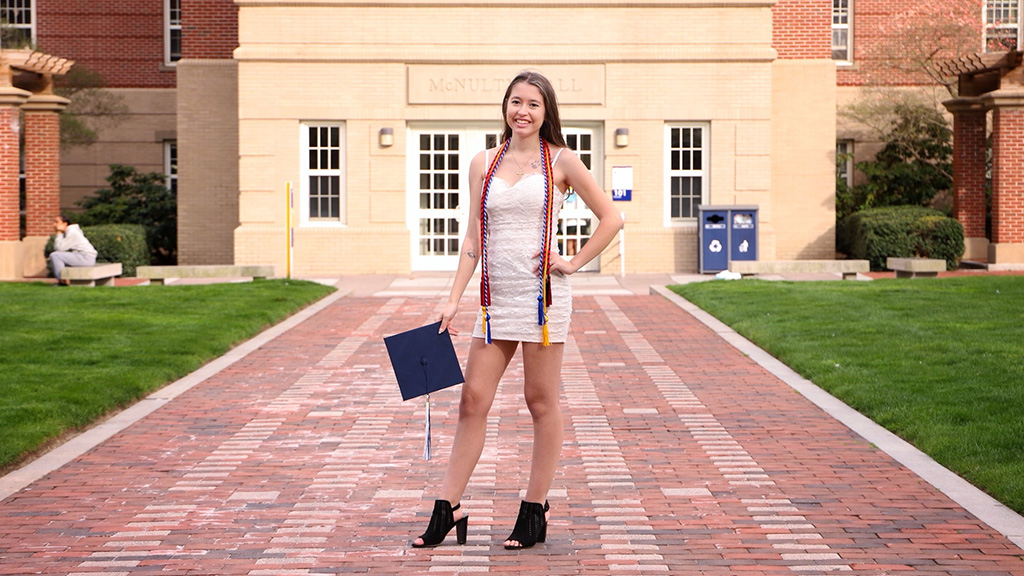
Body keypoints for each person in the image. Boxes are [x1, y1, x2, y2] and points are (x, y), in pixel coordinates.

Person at [412, 71, 623, 550]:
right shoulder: (483, 162)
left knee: (539, 401)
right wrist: (453, 297)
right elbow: (473, 238)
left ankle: (534, 508)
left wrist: (571, 262)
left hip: (541, 302)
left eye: (532, 104)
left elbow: (613, 217)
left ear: (546, 112)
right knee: (473, 399)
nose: (521, 111)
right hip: (492, 301)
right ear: (505, 107)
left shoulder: (561, 161)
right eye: (515, 102)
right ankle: (449, 507)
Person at [50, 215, 98, 285]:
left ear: (65, 223)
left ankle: (61, 281)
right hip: (85, 257)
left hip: (85, 258)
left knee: (55, 255)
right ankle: (62, 280)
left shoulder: (72, 232)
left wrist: (59, 233)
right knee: (57, 256)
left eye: (56, 222)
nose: (54, 224)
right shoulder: (71, 231)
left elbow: (59, 248)